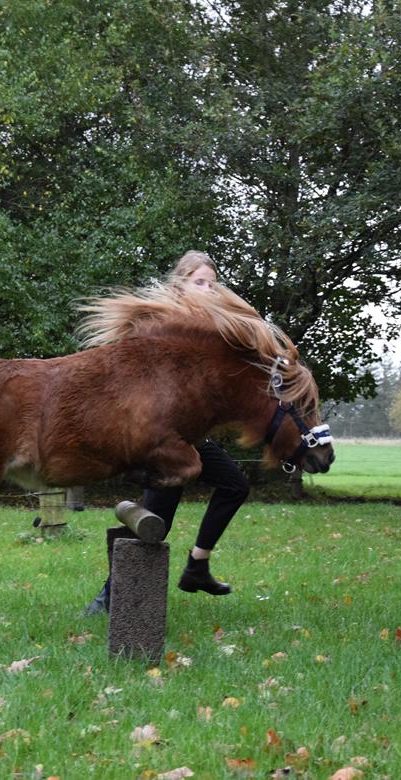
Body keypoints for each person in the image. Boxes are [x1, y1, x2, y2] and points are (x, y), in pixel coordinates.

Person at [84, 250, 250, 616]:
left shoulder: (210, 328)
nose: (208, 289)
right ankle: (107, 599)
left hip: (189, 440)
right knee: (154, 523)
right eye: (200, 282)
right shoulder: (165, 323)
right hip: (160, 441)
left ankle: (197, 566)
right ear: (182, 283)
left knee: (235, 486)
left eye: (212, 282)